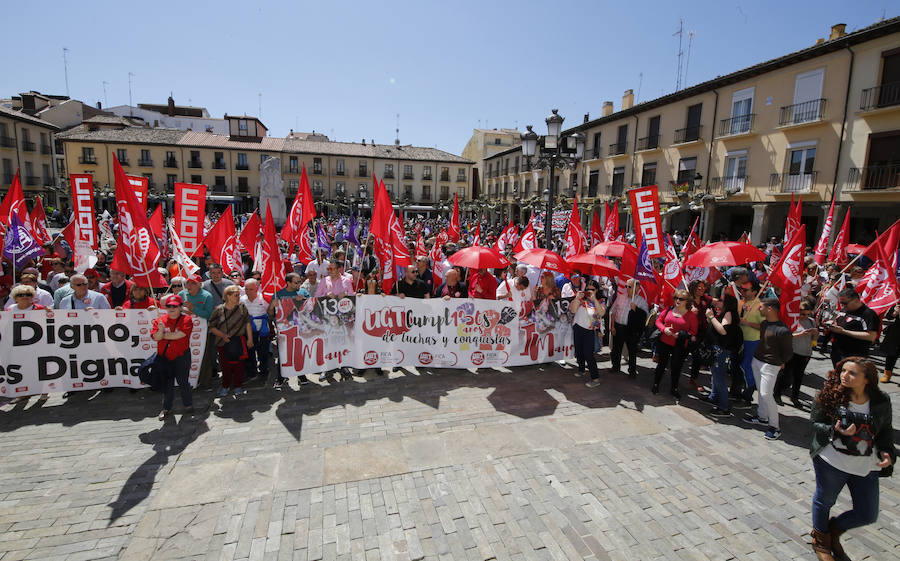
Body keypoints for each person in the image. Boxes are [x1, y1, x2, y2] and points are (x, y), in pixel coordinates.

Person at [809, 358, 896, 561]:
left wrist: (887, 452)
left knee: (867, 514)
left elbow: (885, 431)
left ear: (867, 379)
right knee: (825, 501)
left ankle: (832, 531)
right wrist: (835, 431)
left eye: (852, 373)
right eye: (843, 371)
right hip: (832, 461)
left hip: (866, 465)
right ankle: (821, 541)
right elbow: (815, 423)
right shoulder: (829, 395)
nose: (844, 376)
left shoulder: (880, 400)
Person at [744, 297, 793, 441]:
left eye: (761, 306)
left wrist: (781, 361)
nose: (759, 308)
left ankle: (775, 427)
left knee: (766, 394)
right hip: (757, 361)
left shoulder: (783, 330)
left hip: (770, 365)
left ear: (770, 309)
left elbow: (788, 352)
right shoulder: (765, 323)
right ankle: (762, 416)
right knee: (760, 390)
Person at [150, 294, 194, 420]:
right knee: (167, 384)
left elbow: (180, 335)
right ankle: (166, 408)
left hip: (181, 356)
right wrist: (160, 331)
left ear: (180, 307)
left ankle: (188, 405)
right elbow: (156, 337)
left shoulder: (186, 319)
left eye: (175, 306)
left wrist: (163, 335)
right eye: (169, 306)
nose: (171, 308)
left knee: (183, 382)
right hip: (165, 357)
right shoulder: (160, 320)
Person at [209, 285, 253, 397]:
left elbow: (247, 323)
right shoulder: (218, 310)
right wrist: (222, 335)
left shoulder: (242, 307)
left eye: (239, 295)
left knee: (240, 366)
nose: (239, 297)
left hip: (239, 340)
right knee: (225, 366)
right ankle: (225, 386)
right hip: (223, 342)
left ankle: (238, 386)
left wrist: (250, 339)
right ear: (228, 296)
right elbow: (212, 327)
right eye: (236, 295)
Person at [652, 289, 697, 399]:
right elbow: (658, 321)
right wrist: (664, 329)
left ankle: (674, 388)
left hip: (680, 345)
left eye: (681, 299)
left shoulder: (691, 316)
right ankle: (655, 385)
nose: (678, 300)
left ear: (687, 301)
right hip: (664, 342)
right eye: (676, 298)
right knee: (661, 365)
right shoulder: (668, 309)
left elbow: (693, 332)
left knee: (676, 367)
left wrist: (681, 334)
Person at [705, 293, 742, 417]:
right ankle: (714, 396)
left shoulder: (728, 313)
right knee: (715, 375)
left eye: (721, 300)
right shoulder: (723, 312)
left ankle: (724, 407)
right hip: (716, 348)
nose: (717, 301)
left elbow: (723, 330)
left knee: (719, 376)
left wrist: (711, 317)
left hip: (720, 350)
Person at [775, 300, 817, 408]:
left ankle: (795, 397)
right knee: (785, 375)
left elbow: (814, 339)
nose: (805, 317)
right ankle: (777, 394)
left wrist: (815, 336)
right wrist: (800, 334)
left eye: (808, 314)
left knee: (798, 377)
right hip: (792, 351)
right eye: (803, 314)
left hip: (805, 353)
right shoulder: (792, 321)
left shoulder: (811, 322)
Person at [269, 272, 308, 389]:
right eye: (296, 282)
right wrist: (272, 306)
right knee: (283, 354)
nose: (299, 284)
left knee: (299, 351)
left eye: (300, 281)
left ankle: (301, 375)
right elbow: (270, 314)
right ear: (288, 283)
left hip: (300, 328)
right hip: (284, 330)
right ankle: (281, 377)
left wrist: (304, 300)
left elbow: (311, 309)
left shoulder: (303, 292)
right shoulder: (278, 294)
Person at [827, 287, 880, 366]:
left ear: (855, 300)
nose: (842, 306)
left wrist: (843, 331)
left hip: (854, 354)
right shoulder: (845, 309)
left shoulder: (868, 314)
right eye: (841, 303)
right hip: (837, 350)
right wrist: (832, 323)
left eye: (845, 303)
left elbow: (871, 336)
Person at [178, 275, 215, 388]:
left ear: (200, 284)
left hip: (203, 332)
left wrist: (193, 309)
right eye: (187, 283)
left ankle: (205, 382)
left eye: (193, 283)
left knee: (204, 357)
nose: (189, 285)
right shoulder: (181, 295)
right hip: (185, 332)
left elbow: (209, 315)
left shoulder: (207, 296)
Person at [609, 279, 648, 378]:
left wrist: (636, 309)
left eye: (629, 287)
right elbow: (613, 311)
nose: (627, 288)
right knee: (616, 349)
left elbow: (646, 316)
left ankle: (632, 371)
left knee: (632, 351)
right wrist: (612, 326)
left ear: (637, 288)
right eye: (626, 286)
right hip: (618, 326)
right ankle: (615, 366)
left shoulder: (641, 301)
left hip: (631, 329)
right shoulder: (620, 297)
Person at [572, 284, 606, 387]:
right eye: (588, 289)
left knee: (588, 354)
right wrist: (577, 298)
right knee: (578, 351)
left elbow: (602, 313)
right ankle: (581, 369)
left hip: (589, 330)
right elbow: (573, 310)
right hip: (578, 326)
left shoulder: (600, 300)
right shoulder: (582, 299)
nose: (589, 291)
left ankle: (595, 378)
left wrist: (594, 299)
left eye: (592, 289)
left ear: (597, 290)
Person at [736, 282, 763, 405]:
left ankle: (748, 395)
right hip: (740, 340)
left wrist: (748, 323)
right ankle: (737, 392)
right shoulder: (741, 303)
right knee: (737, 367)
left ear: (754, 292)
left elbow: (765, 327)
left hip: (752, 341)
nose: (743, 291)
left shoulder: (760, 306)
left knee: (747, 367)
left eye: (746, 290)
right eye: (742, 289)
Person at [240, 278, 272, 384]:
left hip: (262, 329)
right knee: (250, 351)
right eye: (246, 289)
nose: (248, 292)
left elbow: (270, 312)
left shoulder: (264, 298)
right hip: (248, 330)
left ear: (257, 288)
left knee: (263, 351)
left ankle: (264, 371)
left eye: (251, 289)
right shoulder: (242, 299)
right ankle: (251, 372)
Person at [688, 279, 712, 391]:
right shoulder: (687, 300)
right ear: (693, 288)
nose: (702, 289)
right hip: (689, 332)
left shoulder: (705, 299)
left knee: (697, 357)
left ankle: (693, 379)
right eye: (699, 287)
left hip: (701, 332)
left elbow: (716, 301)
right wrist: (689, 310)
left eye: (703, 287)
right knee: (681, 355)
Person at [879, 303, 900, 383]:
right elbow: (888, 316)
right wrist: (895, 313)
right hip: (897, 333)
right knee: (892, 354)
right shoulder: (898, 303)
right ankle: (887, 374)